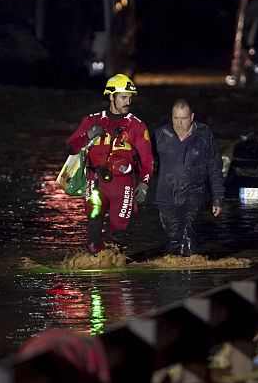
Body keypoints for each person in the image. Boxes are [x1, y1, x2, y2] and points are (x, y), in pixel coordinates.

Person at [66, 74, 154, 254]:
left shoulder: (137, 126)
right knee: (93, 231)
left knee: (118, 236)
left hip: (123, 187)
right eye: (123, 97)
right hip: (95, 184)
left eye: (130, 98)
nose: (128, 101)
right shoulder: (92, 121)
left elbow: (147, 160)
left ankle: (118, 269)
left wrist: (144, 183)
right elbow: (70, 147)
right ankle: (94, 265)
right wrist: (88, 136)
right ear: (111, 96)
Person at [153, 99, 225, 256]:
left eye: (183, 118)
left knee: (187, 232)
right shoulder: (160, 135)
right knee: (173, 239)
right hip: (166, 195)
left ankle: (189, 273)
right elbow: (145, 163)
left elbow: (214, 167)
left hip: (194, 192)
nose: (179, 123)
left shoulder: (204, 136)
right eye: (175, 118)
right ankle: (173, 276)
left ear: (192, 117)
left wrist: (217, 198)